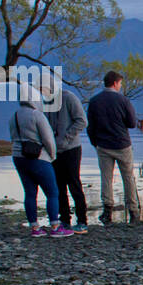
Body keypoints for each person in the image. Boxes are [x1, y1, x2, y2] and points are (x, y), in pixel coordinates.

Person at [9, 81, 71, 237]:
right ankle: (55, 227)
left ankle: (35, 228)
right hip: (38, 158)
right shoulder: (37, 115)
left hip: (18, 157)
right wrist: (52, 156)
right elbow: (48, 139)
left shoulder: (14, 116)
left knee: (30, 192)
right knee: (52, 192)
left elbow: (13, 137)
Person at [86, 70, 143, 224]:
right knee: (128, 178)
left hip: (103, 145)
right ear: (115, 83)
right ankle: (133, 211)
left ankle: (107, 210)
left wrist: (95, 143)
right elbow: (132, 123)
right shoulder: (123, 100)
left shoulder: (94, 101)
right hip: (122, 144)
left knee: (106, 178)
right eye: (120, 83)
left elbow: (90, 126)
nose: (120, 86)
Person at [43, 72, 89, 233]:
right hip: (54, 151)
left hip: (71, 149)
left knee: (74, 183)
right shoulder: (46, 102)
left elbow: (82, 121)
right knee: (58, 186)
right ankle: (64, 220)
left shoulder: (69, 98)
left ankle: (82, 220)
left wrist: (66, 137)